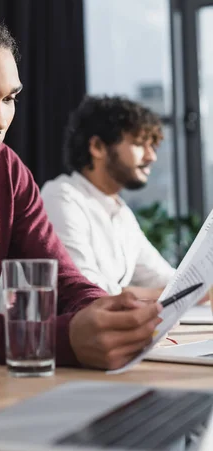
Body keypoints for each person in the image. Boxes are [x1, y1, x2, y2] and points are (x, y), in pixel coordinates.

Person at [0, 10, 162, 372]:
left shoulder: (6, 169)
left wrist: (103, 312)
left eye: (9, 99)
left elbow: (63, 279)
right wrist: (56, 338)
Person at [41, 95, 176, 298]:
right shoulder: (62, 197)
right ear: (97, 147)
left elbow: (166, 279)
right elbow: (84, 289)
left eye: (152, 147)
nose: (151, 157)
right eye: (139, 144)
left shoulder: (121, 213)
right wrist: (157, 294)